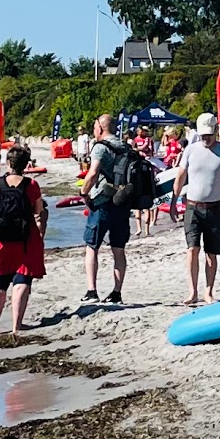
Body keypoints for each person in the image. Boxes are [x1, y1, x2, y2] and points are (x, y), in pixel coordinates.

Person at [172, 113, 220, 306]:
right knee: (192, 248)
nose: (205, 139)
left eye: (208, 135)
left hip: (215, 208)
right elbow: (180, 177)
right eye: (202, 136)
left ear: (215, 132)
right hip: (192, 207)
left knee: (211, 252)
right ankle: (192, 292)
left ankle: (208, 291)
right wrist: (174, 201)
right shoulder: (190, 151)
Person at [0, 144, 48, 335]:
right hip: (25, 238)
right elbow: (38, 211)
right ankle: (16, 326)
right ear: (26, 164)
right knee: (22, 278)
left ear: (7, 162)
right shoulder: (32, 185)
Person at [79, 113, 131, 303]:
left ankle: (92, 291)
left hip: (102, 202)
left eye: (95, 127)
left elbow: (93, 173)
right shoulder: (125, 146)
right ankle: (116, 292)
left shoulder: (100, 147)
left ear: (100, 128)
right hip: (122, 202)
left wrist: (84, 193)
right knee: (118, 249)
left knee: (92, 246)